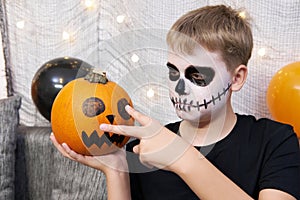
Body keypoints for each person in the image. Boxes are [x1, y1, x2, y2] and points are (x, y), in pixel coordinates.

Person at [50, 4, 300, 200]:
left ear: (236, 78)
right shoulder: (143, 150)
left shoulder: (275, 140)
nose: (179, 87)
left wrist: (180, 157)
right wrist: (115, 169)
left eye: (197, 75)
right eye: (173, 72)